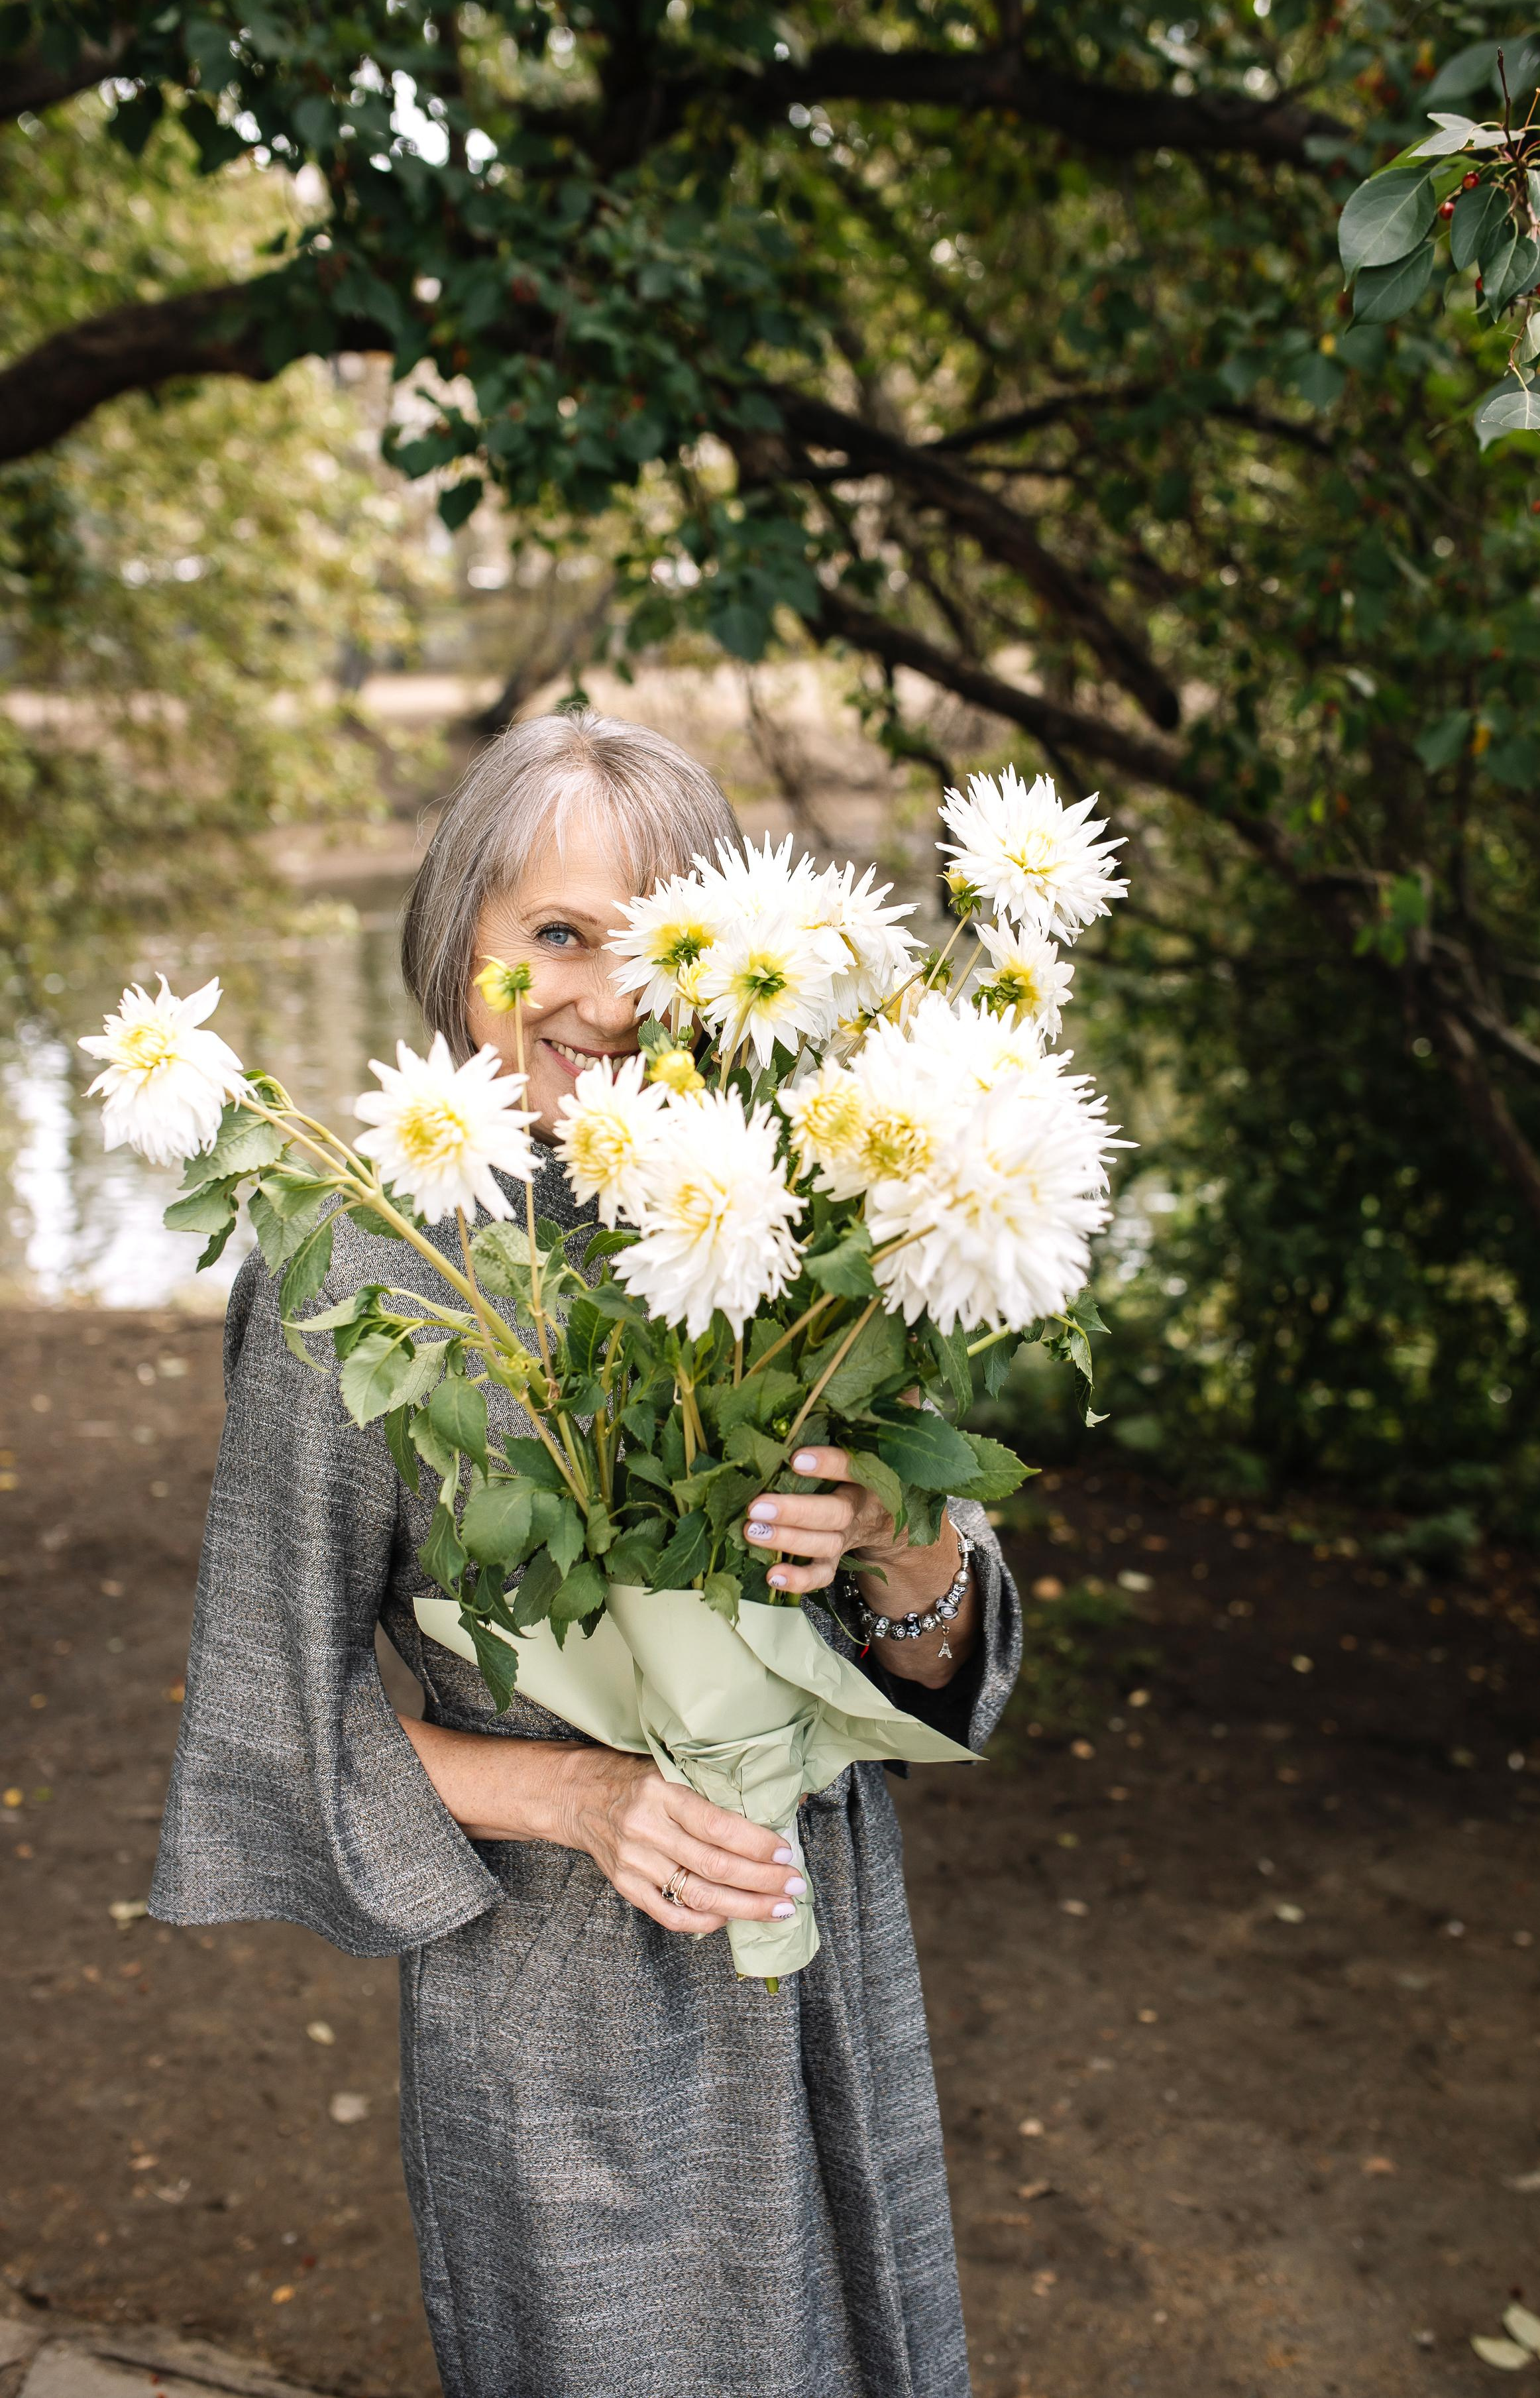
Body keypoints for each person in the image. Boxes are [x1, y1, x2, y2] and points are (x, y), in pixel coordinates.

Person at [151, 708, 1022, 2398]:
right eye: (555, 934)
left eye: (661, 945)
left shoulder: (808, 1206)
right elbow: (270, 1713)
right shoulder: (359, 1258)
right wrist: (581, 1795)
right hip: (562, 1983)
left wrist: (904, 1535)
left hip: (815, 1922)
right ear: (455, 940)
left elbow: (944, 1662)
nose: (609, 1000)